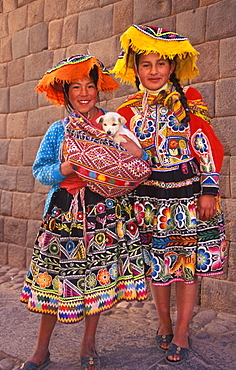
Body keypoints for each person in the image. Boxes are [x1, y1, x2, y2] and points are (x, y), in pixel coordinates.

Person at [18, 54, 148, 370]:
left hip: (104, 213)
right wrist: (65, 167)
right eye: (76, 87)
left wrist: (118, 144)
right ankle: (40, 349)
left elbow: (134, 157)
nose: (84, 93)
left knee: (97, 281)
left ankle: (88, 344)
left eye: (89, 85)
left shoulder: (113, 123)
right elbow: (40, 171)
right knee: (51, 280)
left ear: (97, 90)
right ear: (66, 93)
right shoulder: (57, 131)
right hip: (64, 214)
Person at [111, 25, 227, 365]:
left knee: (185, 264)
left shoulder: (189, 100)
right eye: (146, 65)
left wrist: (209, 189)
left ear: (172, 67)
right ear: (136, 69)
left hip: (188, 194)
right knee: (157, 265)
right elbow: (122, 156)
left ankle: (182, 330)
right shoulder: (129, 110)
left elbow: (206, 144)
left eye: (161, 64)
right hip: (148, 199)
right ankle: (163, 322)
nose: (154, 71)